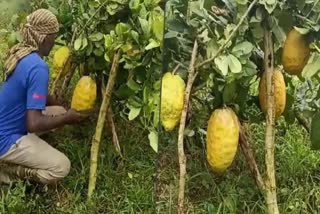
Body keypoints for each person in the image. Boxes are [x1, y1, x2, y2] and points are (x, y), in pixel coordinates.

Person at [0, 9, 90, 185]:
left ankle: (28, 150)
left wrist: (58, 106)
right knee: (62, 167)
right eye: (53, 36)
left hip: (9, 123)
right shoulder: (39, 67)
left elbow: (31, 91)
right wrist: (67, 118)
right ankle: (8, 173)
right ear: (44, 37)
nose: (55, 41)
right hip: (6, 138)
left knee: (59, 110)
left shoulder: (22, 54)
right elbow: (33, 123)